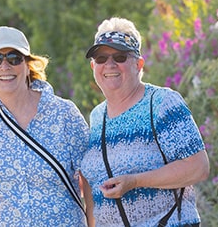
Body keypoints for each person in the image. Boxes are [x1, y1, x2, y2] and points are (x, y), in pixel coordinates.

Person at [80, 17, 210, 226]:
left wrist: (135, 181)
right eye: (101, 58)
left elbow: (198, 167)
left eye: (120, 56)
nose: (110, 64)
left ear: (138, 64)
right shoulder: (97, 116)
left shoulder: (162, 103)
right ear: (93, 66)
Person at [0, 26, 89, 226]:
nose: (4, 66)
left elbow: (92, 180)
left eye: (14, 57)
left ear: (28, 65)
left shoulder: (64, 114)